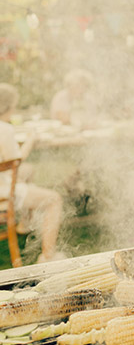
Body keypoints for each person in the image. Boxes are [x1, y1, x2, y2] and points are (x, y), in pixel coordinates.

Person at [0, 83, 65, 264]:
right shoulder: (4, 129)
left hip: (3, 180)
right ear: (8, 106)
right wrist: (31, 139)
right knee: (54, 199)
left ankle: (24, 224)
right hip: (2, 193)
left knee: (29, 171)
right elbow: (16, 161)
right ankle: (47, 256)